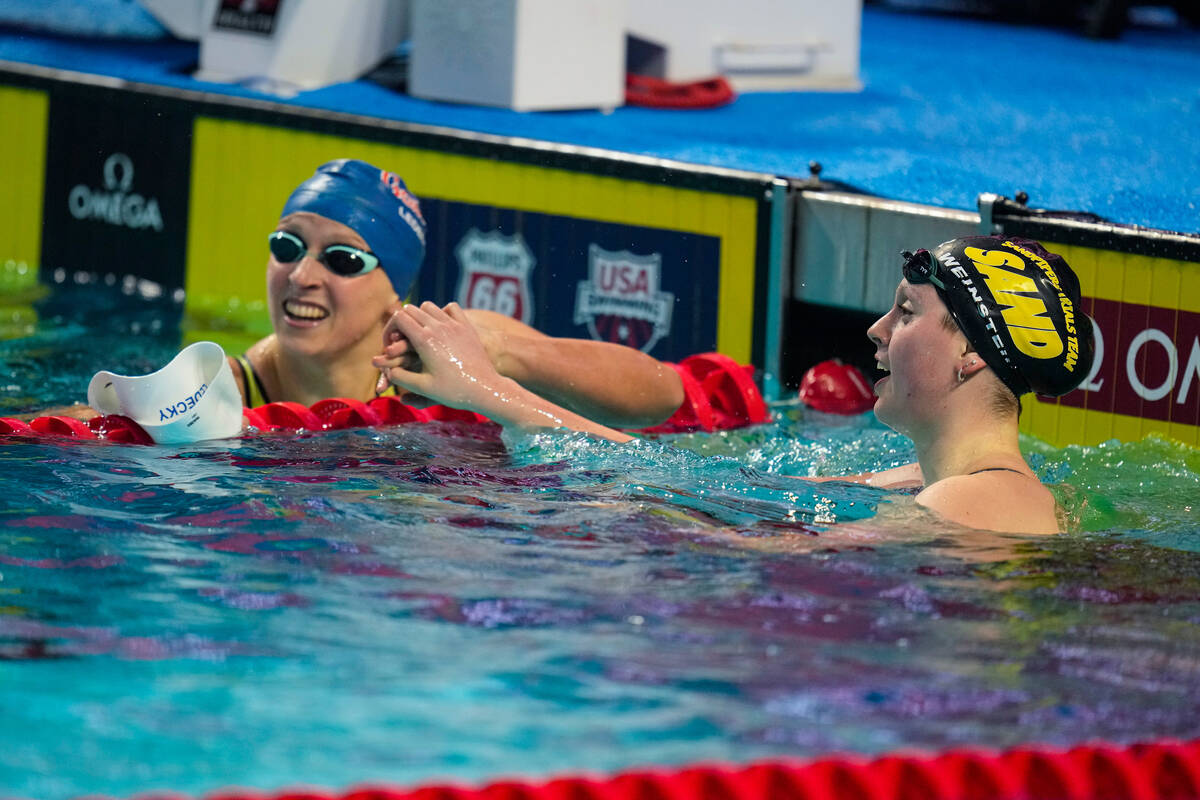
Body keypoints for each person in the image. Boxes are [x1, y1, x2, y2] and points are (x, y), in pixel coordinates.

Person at [374, 236, 1095, 535]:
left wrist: (494, 395)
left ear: (972, 355)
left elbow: (748, 550)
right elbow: (710, 487)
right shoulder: (917, 479)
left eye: (906, 314)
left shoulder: (972, 498)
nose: (876, 331)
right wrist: (495, 391)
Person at [32, 159, 685, 429]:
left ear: (393, 291)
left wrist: (501, 365)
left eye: (341, 258)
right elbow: (73, 430)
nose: (302, 274)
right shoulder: (217, 395)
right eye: (287, 246)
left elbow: (666, 394)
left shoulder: (458, 348)